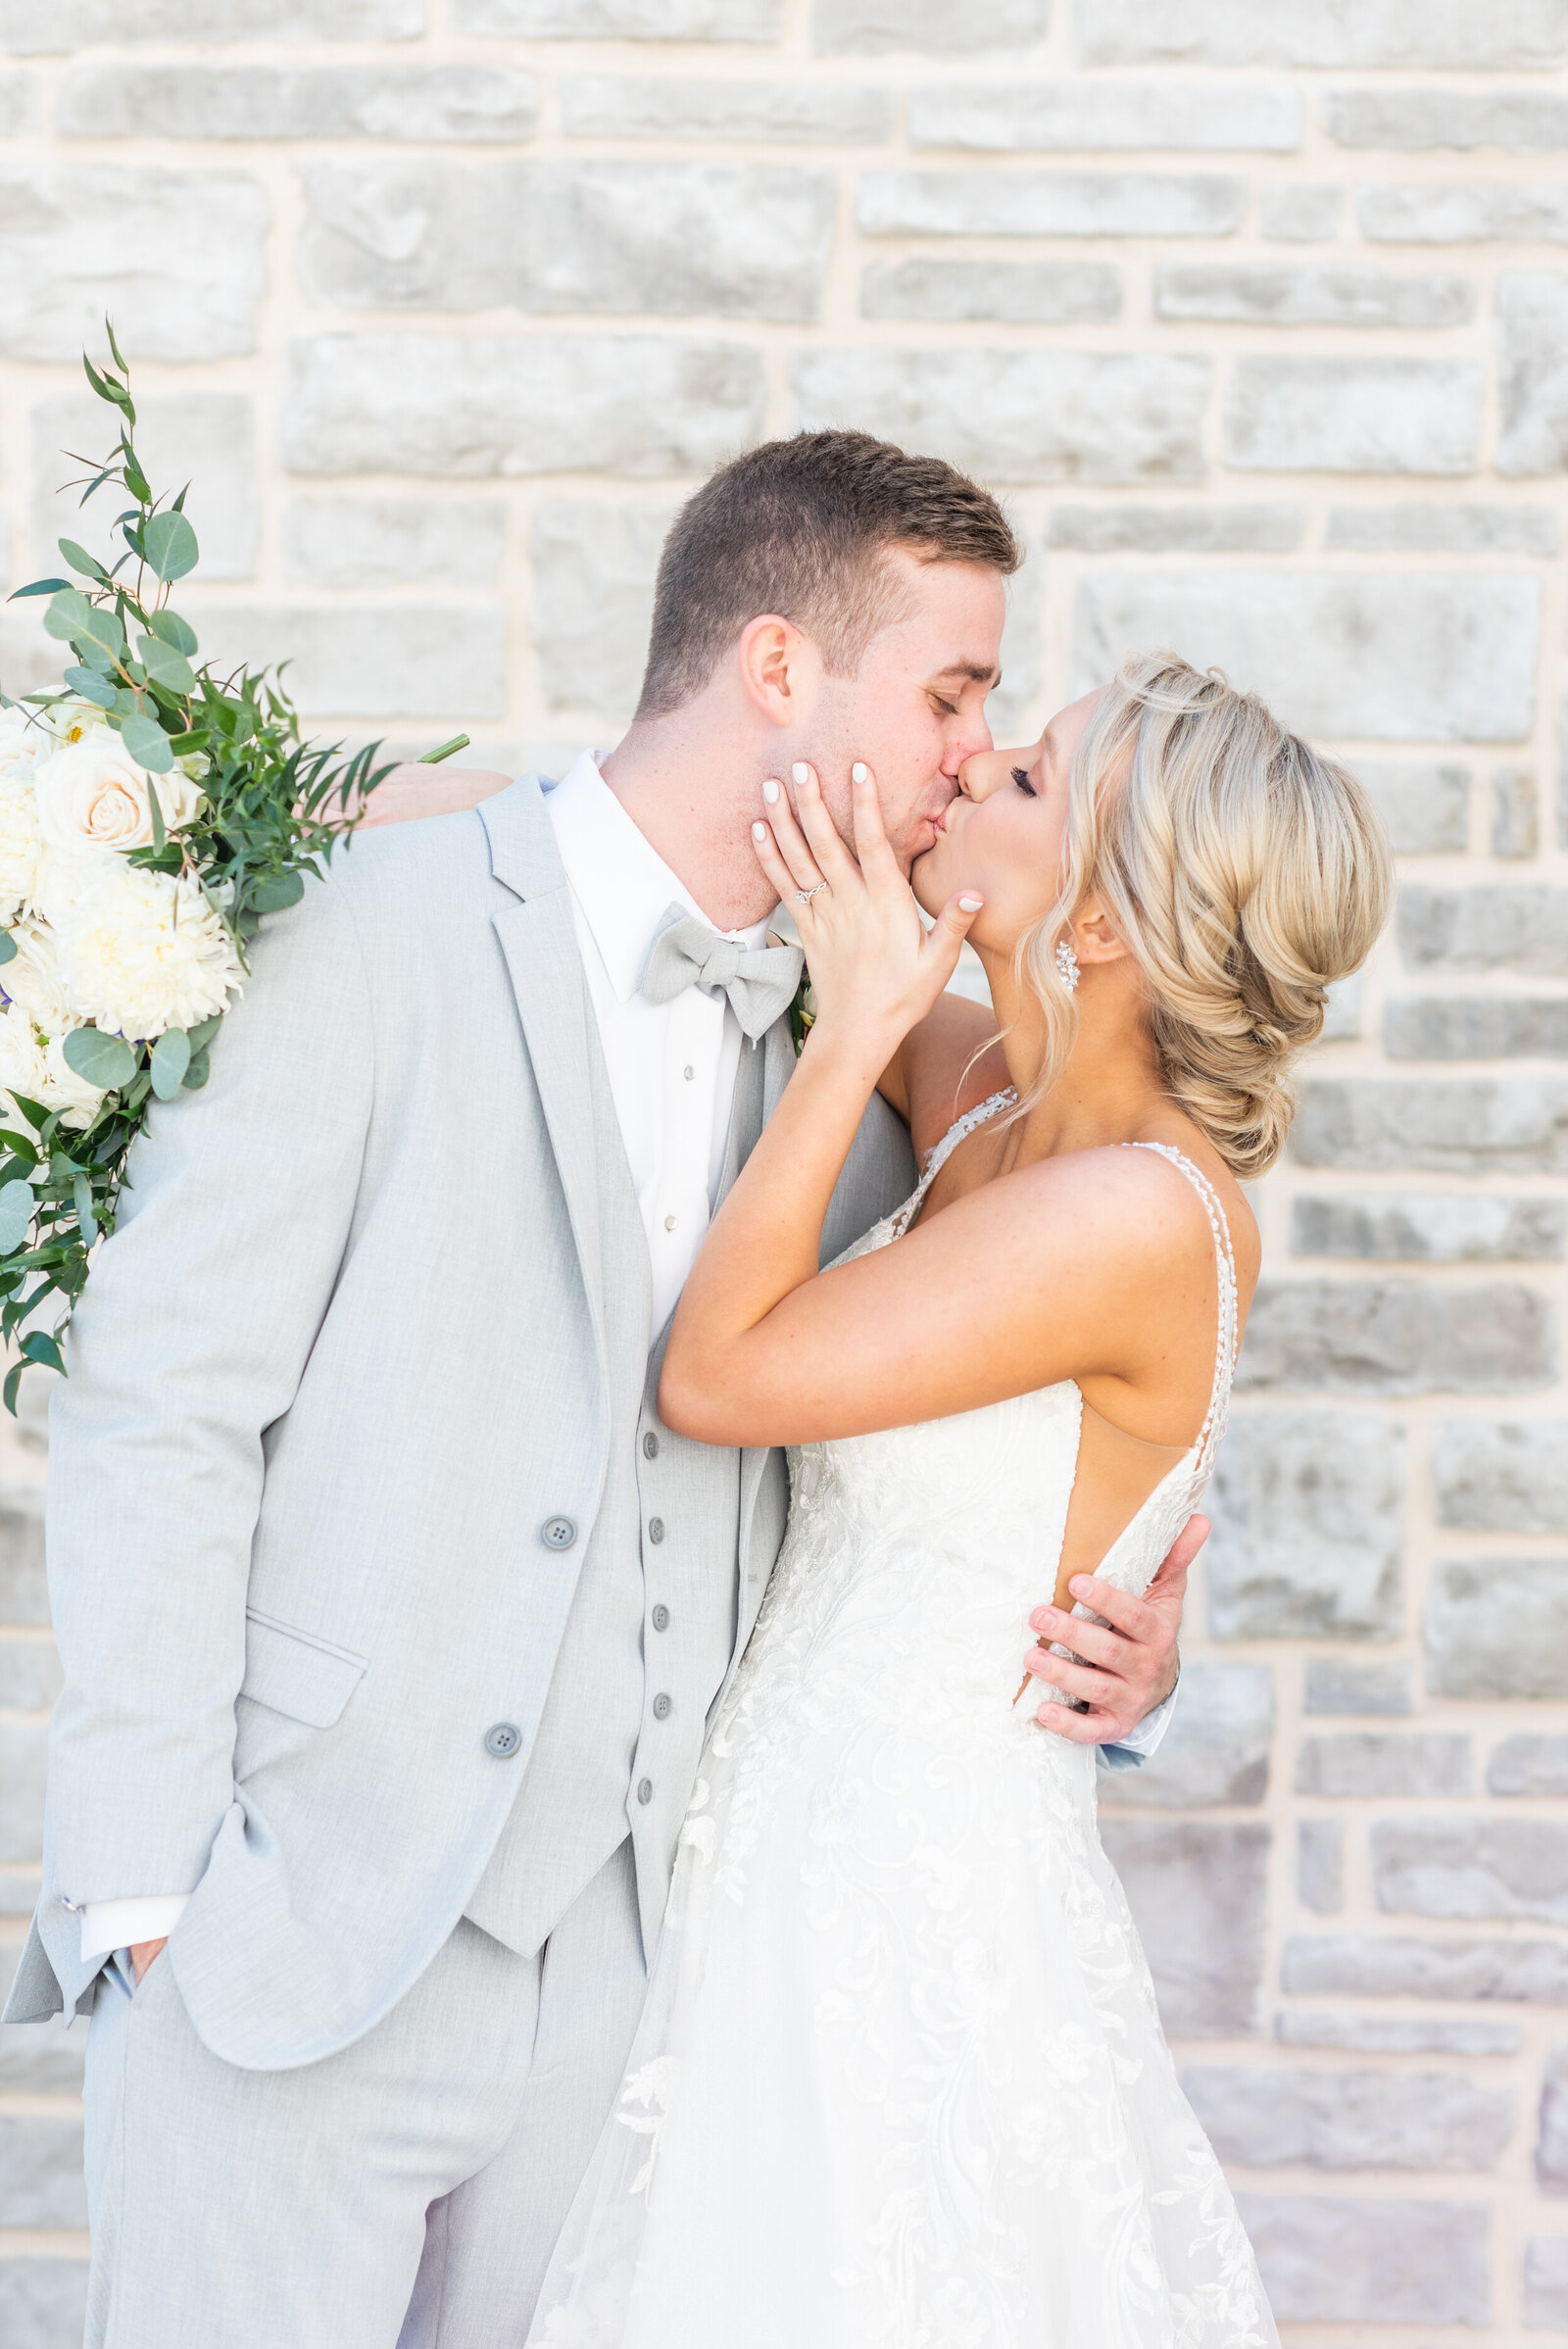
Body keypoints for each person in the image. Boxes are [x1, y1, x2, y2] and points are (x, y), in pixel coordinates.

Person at [3, 433, 1192, 2348]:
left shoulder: (870, 1043)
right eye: (951, 691)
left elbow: (1008, 1419)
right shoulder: (368, 929)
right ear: (782, 671)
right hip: (293, 1957)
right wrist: (145, 1899)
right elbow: (164, 1399)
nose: (973, 755)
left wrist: (1128, 1641)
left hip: (650, 2006)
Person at [528, 656, 1393, 2348]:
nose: (974, 760)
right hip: (765, 1855)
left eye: (1023, 778)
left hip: (912, 1909)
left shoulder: (1138, 1213)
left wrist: (850, 1031)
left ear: (1098, 926)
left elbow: (717, 1376)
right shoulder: (986, 1083)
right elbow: (716, 877)